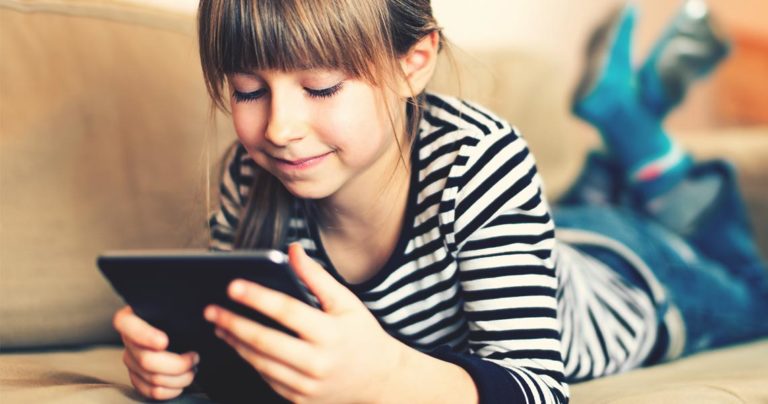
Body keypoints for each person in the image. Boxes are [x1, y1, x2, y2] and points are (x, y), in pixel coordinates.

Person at [112, 0, 768, 403]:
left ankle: (635, 126)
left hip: (633, 279)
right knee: (582, 213)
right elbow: (244, 349)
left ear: (413, 62)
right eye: (250, 91)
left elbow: (540, 390)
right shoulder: (251, 175)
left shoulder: (479, 157)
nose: (279, 127)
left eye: (320, 87)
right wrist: (179, 361)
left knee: (751, 286)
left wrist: (385, 381)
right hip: (549, 232)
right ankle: (629, 117)